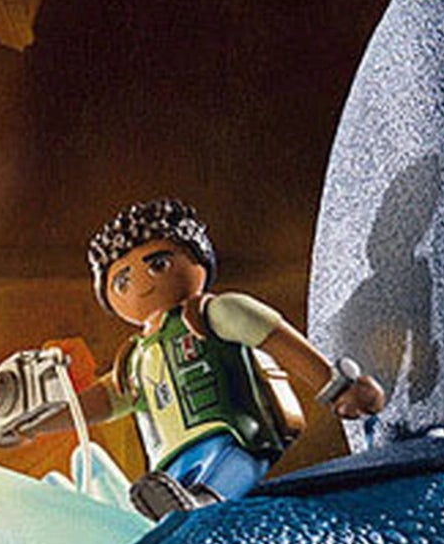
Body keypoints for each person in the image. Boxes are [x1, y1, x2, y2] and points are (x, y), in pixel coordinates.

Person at [73, 198, 384, 516]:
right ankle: (174, 512)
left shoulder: (215, 313)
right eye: (122, 282)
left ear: (196, 259)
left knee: (233, 463)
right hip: (169, 460)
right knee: (168, 496)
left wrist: (336, 386)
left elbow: (280, 340)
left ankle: (206, 500)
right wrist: (42, 419)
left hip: (232, 431)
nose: (141, 284)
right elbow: (99, 401)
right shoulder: (135, 359)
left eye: (158, 265)